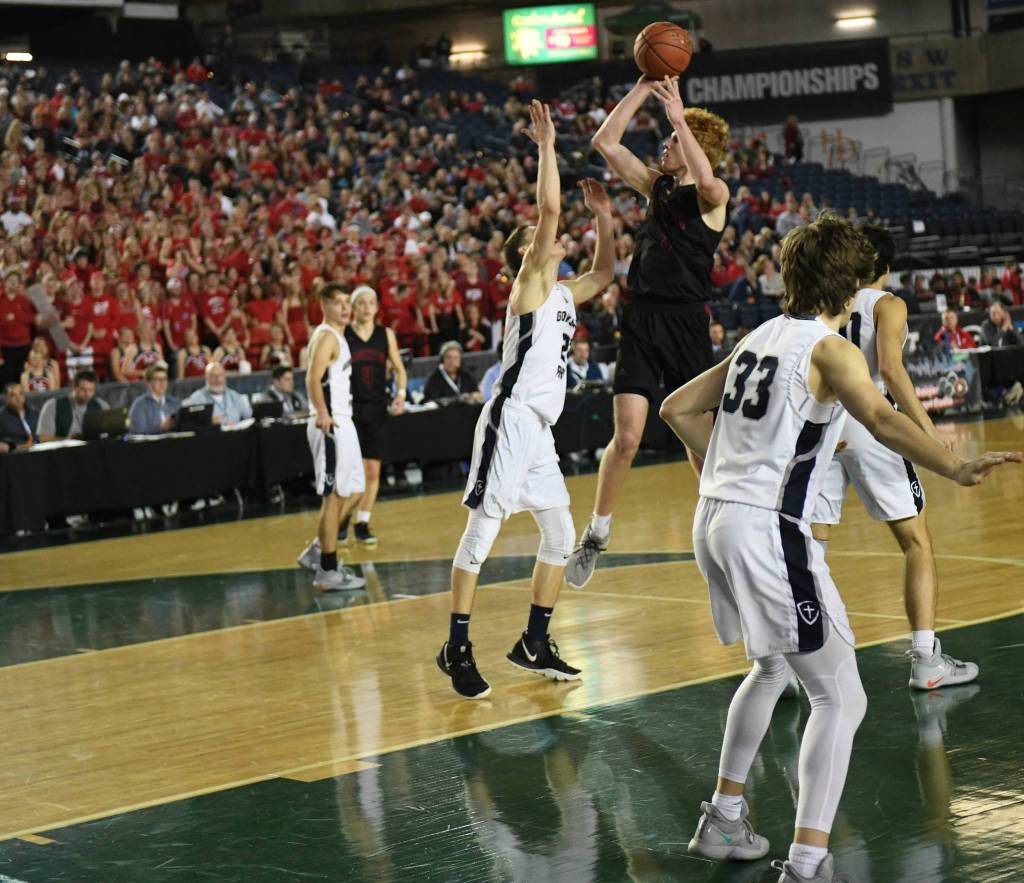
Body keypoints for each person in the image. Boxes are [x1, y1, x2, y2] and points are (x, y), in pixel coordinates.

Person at [658, 215, 1021, 882]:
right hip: (766, 531)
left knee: (772, 669)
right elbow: (881, 417)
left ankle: (724, 816)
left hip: (714, 521)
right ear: (851, 286)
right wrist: (954, 465)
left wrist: (728, 473)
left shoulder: (757, 337)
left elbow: (676, 409)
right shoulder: (829, 349)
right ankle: (807, 863)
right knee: (841, 698)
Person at [435, 100, 615, 700]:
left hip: (540, 431)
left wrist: (607, 219)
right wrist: (546, 145)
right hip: (510, 420)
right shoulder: (531, 283)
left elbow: (606, 275)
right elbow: (548, 209)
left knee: (560, 533)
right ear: (526, 254)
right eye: (544, 240)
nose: (557, 239)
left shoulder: (563, 293)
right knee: (483, 532)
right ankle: (455, 646)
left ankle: (533, 641)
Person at [567, 75, 730, 588]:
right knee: (629, 436)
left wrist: (681, 117)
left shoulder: (715, 196)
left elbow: (705, 184)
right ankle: (596, 532)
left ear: (695, 148)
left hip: (686, 322)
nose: (663, 144)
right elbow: (604, 143)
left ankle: (723, 529)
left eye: (672, 140)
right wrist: (639, 85)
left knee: (697, 442)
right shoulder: (656, 188)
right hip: (640, 319)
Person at [810, 225, 978, 691]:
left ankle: (789, 662)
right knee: (916, 542)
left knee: (812, 546)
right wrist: (926, 430)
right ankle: (926, 659)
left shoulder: (828, 299)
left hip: (823, 422)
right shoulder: (889, 303)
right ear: (885, 267)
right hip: (870, 420)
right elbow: (889, 366)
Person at [296, 283, 367, 591]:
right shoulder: (325, 335)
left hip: (343, 422)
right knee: (335, 495)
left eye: (346, 302)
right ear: (323, 305)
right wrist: (322, 412)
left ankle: (318, 548)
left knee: (356, 491)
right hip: (331, 424)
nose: (345, 307)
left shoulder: (338, 335)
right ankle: (327, 569)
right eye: (337, 302)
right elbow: (312, 377)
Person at [338, 285, 408, 548]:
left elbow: (400, 370)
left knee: (372, 471)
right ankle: (343, 518)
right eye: (361, 303)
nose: (366, 307)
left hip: (377, 409)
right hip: (350, 410)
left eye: (371, 302)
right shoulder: (343, 334)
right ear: (353, 308)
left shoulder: (385, 335)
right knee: (350, 472)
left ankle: (362, 522)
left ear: (377, 307)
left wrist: (400, 394)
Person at [36, 370, 110, 441]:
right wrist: (67, 440)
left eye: (91, 390)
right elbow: (43, 439)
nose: (87, 394)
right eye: (83, 389)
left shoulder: (101, 405)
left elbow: (109, 434)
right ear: (74, 386)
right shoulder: (52, 406)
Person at [183, 361, 253, 427]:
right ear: (206, 378)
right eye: (213, 376)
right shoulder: (196, 398)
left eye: (220, 375)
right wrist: (207, 421)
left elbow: (250, 417)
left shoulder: (235, 396)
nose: (218, 379)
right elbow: (184, 420)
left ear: (225, 377)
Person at [128, 363, 181, 435]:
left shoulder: (175, 402)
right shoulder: (139, 405)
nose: (162, 383)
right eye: (158, 379)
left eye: (165, 379)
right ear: (148, 383)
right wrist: (160, 428)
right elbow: (136, 432)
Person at [0, 382, 37, 450]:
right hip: (15, 455)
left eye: (21, 393)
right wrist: (17, 447)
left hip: (39, 450)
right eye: (12, 395)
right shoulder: (2, 417)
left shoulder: (34, 412)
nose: (18, 398)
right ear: (6, 398)